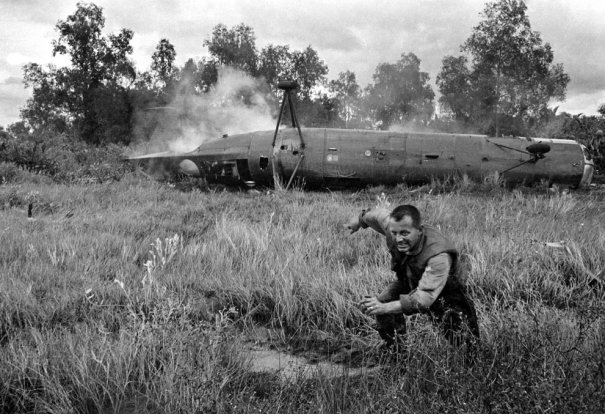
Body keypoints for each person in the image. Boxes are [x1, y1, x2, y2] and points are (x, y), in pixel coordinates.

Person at [347, 204, 480, 352]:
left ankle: (472, 364)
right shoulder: (394, 227)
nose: (398, 239)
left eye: (405, 233)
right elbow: (378, 216)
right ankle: (397, 353)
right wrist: (359, 220)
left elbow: (424, 298)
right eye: (394, 233)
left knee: (467, 345)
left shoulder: (439, 256)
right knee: (384, 300)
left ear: (419, 231)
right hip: (410, 280)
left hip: (445, 293)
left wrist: (384, 308)